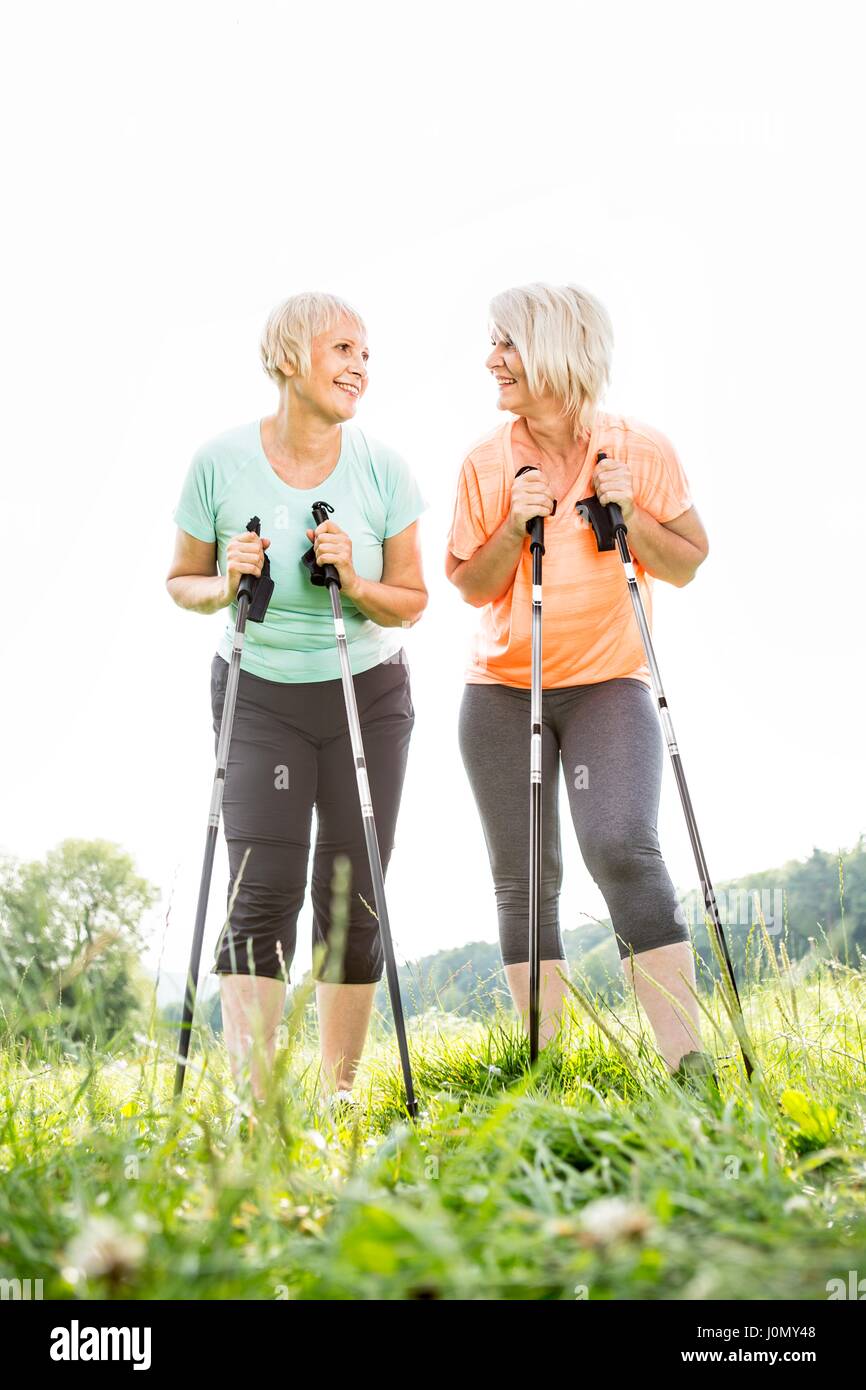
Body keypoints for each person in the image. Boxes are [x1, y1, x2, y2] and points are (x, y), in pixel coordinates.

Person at [167, 291, 427, 1103]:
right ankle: (257, 1107)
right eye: (342, 349)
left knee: (353, 892)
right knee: (262, 887)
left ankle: (340, 1094)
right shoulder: (218, 461)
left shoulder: (384, 468)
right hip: (261, 694)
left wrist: (354, 578)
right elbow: (182, 581)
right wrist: (226, 581)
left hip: (366, 692)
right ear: (288, 358)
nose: (359, 366)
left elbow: (412, 601)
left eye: (366, 353)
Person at [446, 281, 711, 1073]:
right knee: (527, 881)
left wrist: (634, 516)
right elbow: (467, 580)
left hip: (608, 682)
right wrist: (512, 525)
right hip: (501, 691)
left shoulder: (642, 447)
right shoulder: (486, 462)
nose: (492, 359)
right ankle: (544, 1076)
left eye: (508, 343)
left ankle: (689, 1069)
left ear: (558, 349)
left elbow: (690, 561)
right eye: (493, 342)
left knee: (624, 845)